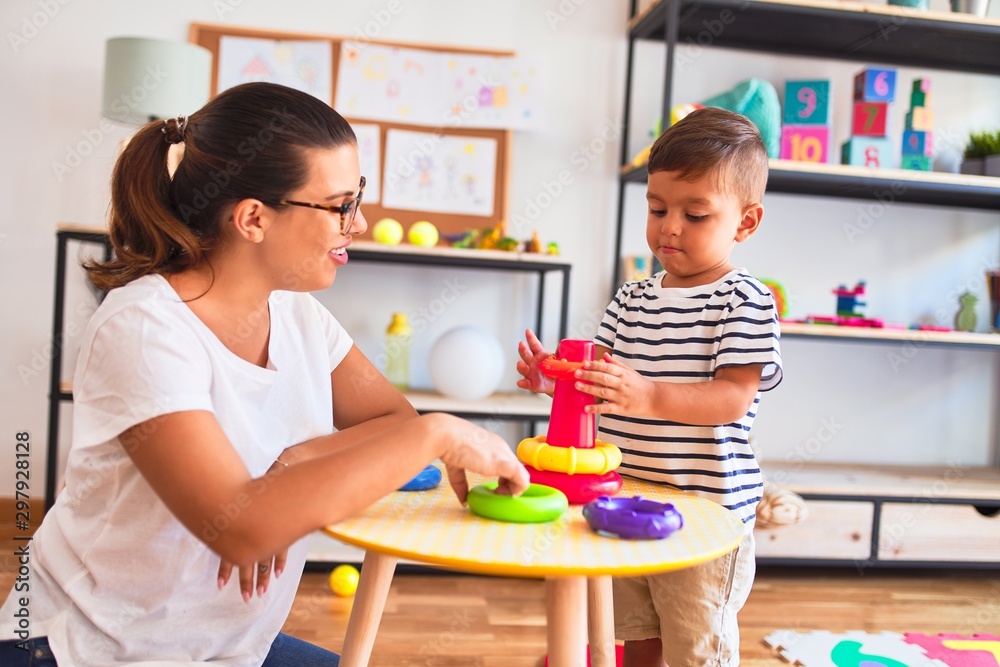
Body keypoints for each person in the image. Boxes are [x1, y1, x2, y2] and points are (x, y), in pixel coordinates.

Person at [0, 82, 529, 667]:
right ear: (253, 218)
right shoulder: (145, 329)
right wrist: (438, 432)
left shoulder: (299, 314)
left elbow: (388, 422)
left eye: (357, 198)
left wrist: (295, 462)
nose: (358, 222)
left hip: (228, 649)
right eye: (339, 206)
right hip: (85, 650)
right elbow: (243, 528)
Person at [517, 107, 782, 667]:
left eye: (696, 214)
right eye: (658, 208)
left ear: (745, 222)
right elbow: (601, 381)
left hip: (707, 515)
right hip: (628, 497)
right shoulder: (631, 298)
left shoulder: (745, 300)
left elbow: (734, 399)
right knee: (635, 634)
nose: (670, 227)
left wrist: (650, 395)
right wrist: (556, 382)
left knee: (694, 644)